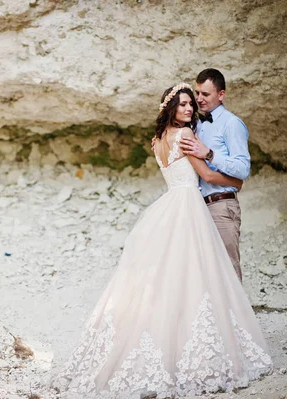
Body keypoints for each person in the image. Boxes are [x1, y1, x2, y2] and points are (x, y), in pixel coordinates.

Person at [51, 84, 272, 399]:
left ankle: (163, 340)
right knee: (197, 277)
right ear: (171, 108)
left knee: (166, 280)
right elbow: (207, 176)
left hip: (168, 205)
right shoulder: (184, 137)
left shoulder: (157, 141)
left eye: (189, 105)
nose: (188, 109)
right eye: (182, 105)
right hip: (188, 207)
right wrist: (236, 181)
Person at [178, 68, 250, 281]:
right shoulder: (195, 123)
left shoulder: (231, 124)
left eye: (205, 94)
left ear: (221, 94)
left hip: (221, 206)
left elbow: (243, 169)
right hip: (196, 206)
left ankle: (237, 315)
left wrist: (209, 154)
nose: (199, 99)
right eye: (197, 93)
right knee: (202, 270)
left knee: (227, 268)